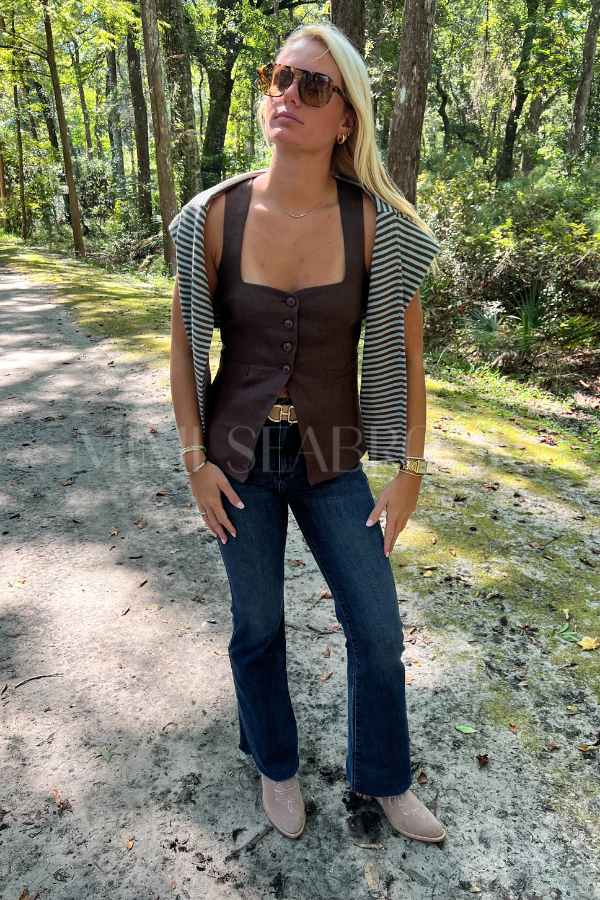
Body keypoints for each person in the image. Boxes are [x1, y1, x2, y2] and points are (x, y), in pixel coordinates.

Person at [169, 21, 445, 843]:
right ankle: (275, 764)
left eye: (313, 85)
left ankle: (383, 778)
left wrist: (410, 470)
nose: (287, 95)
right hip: (238, 459)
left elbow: (408, 351)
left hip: (332, 457)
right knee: (257, 626)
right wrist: (194, 460)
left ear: (346, 117)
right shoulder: (212, 216)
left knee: (379, 631)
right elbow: (185, 344)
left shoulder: (379, 226)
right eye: (279, 77)